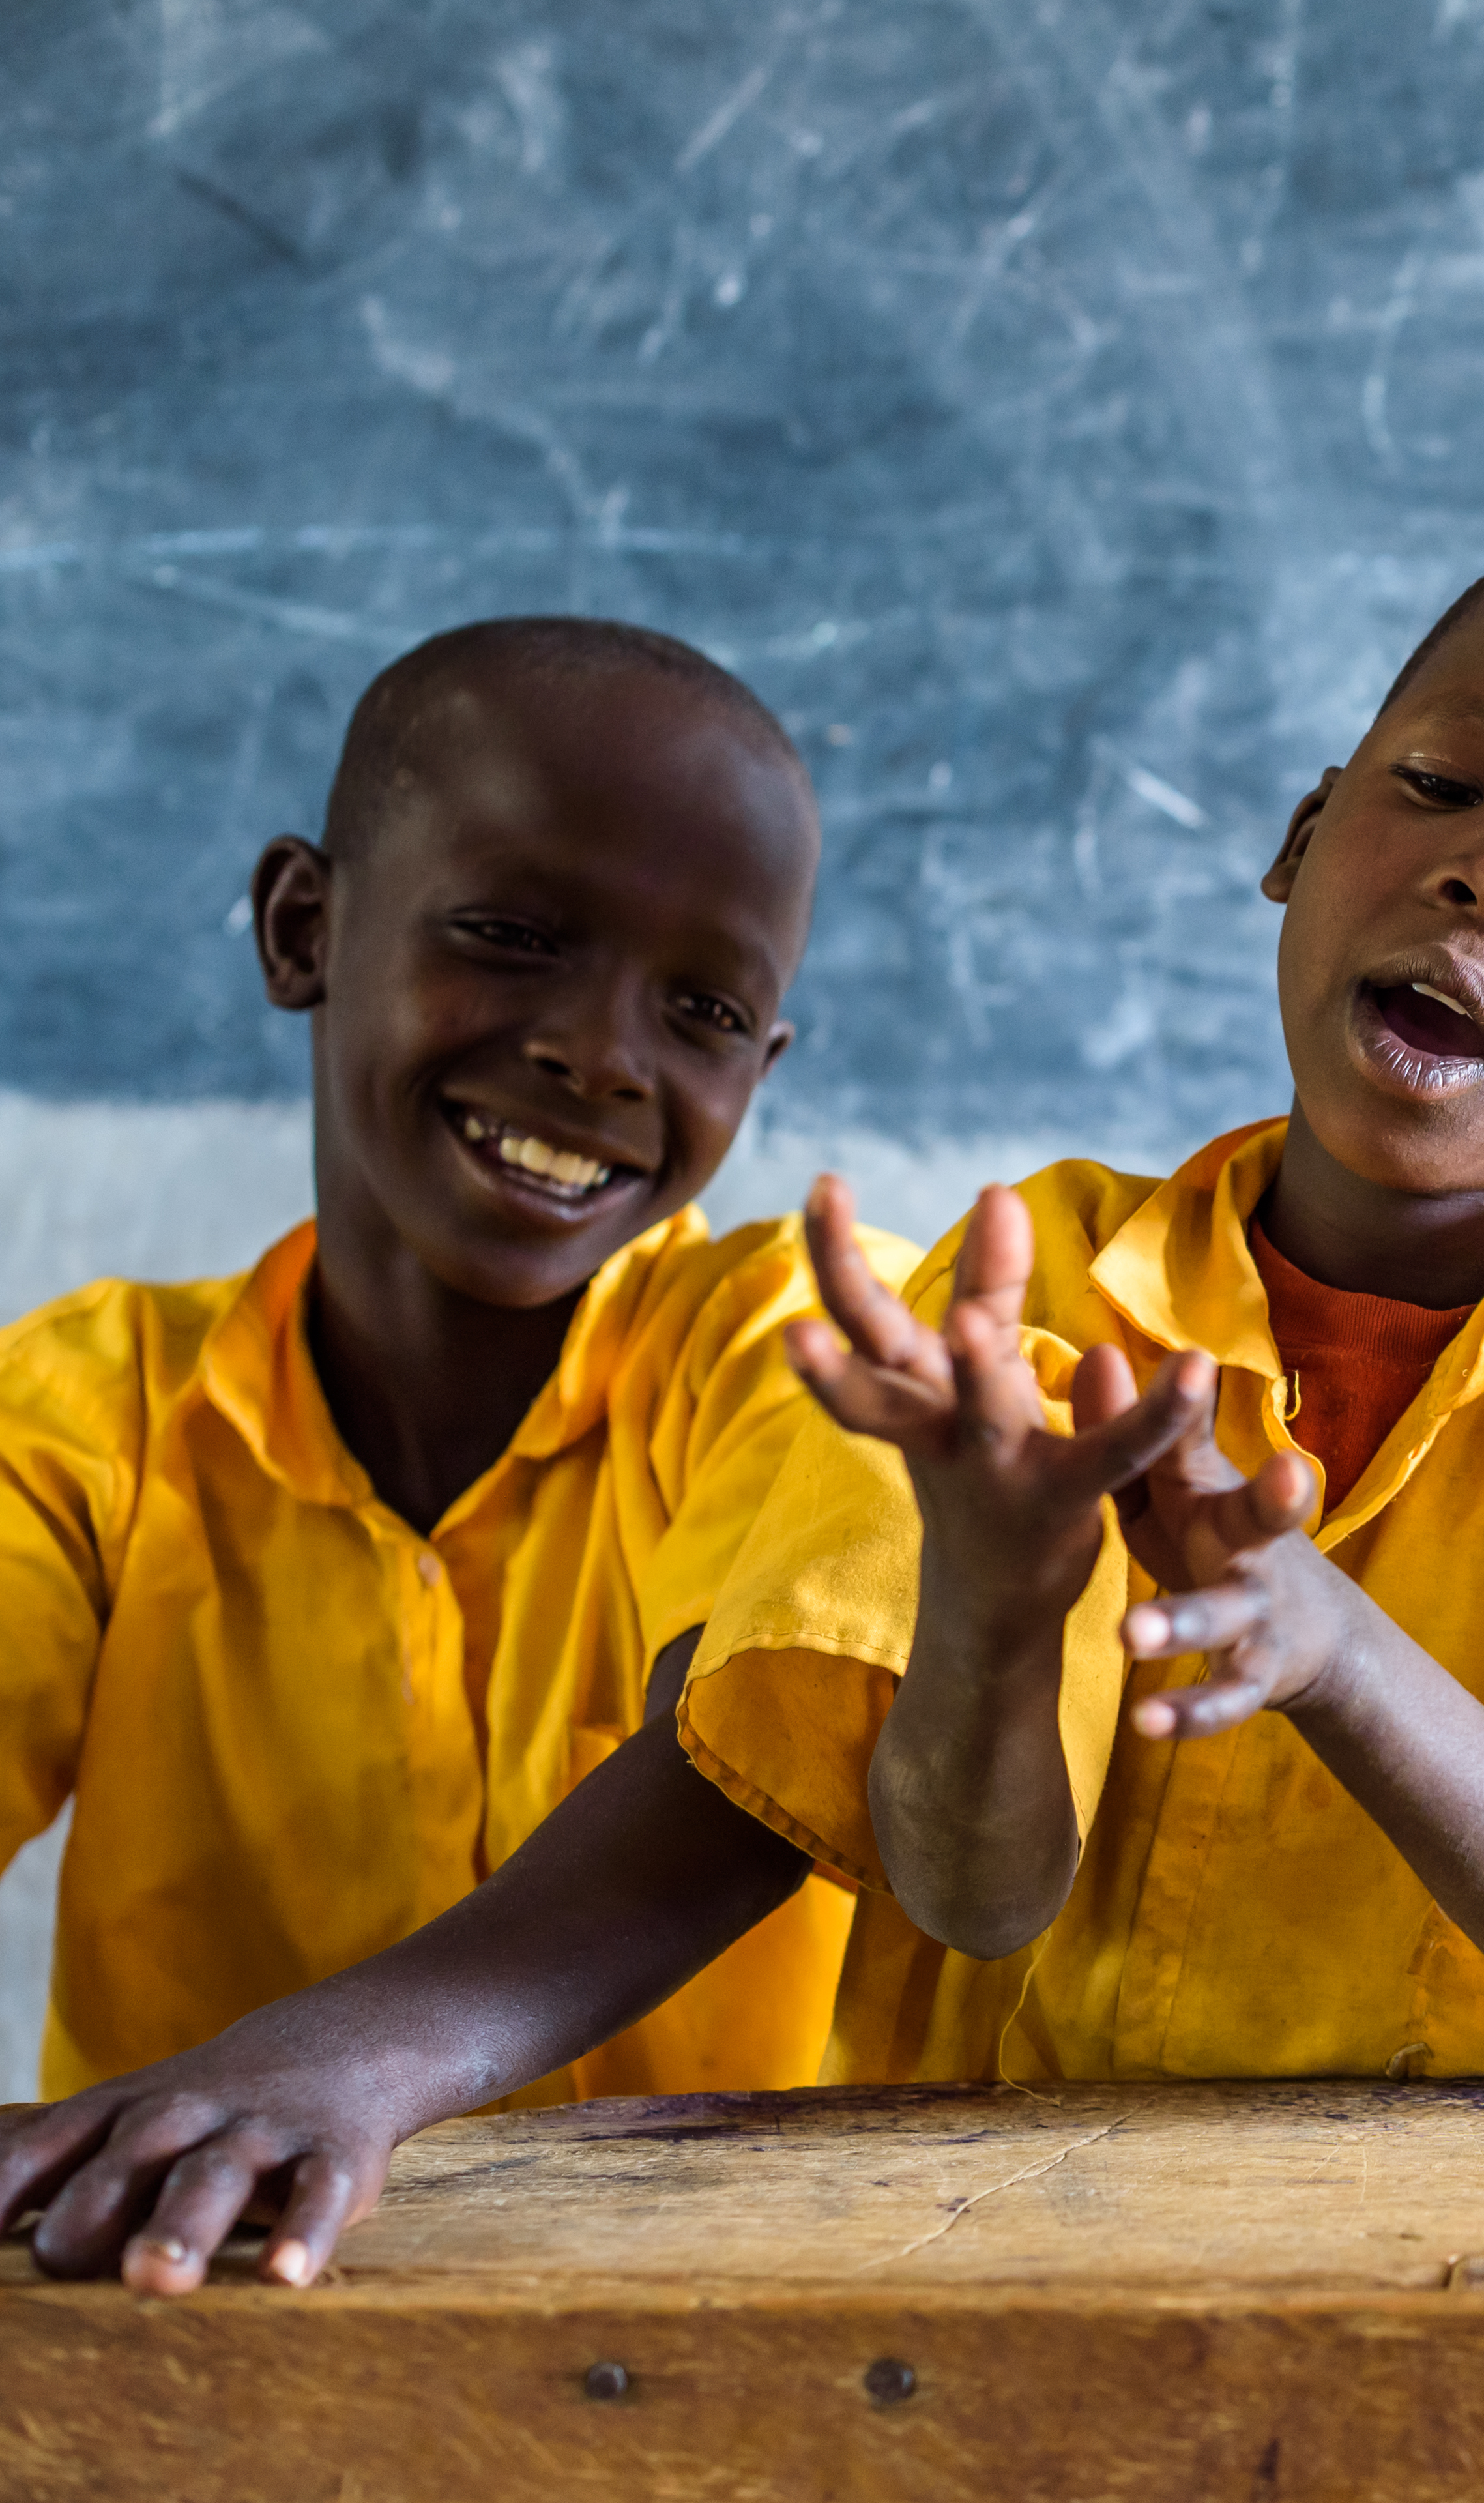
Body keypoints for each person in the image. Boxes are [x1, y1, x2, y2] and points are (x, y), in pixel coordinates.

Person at [0, 529, 1484, 2292]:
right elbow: (971, 1896)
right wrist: (997, 1612)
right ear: (1301, 835)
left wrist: (1338, 1650)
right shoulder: (1031, 1301)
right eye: (1440, 787)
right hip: (1013, 2323)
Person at [0, 617, 895, 2118]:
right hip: (194, 2303)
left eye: (706, 1012)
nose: (606, 1057)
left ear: (763, 1069)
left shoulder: (797, 1357)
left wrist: (351, 2059)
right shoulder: (93, 1422)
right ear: (304, 929)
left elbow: (771, 1765)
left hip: (723, 2327)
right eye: (515, 936)